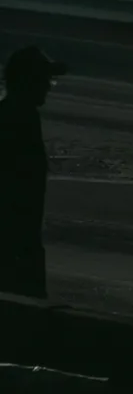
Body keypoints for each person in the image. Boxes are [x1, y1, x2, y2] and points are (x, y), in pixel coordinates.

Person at [0, 46, 66, 300]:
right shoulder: (16, 121)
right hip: (15, 250)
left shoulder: (21, 117)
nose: (49, 86)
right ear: (28, 82)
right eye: (44, 79)